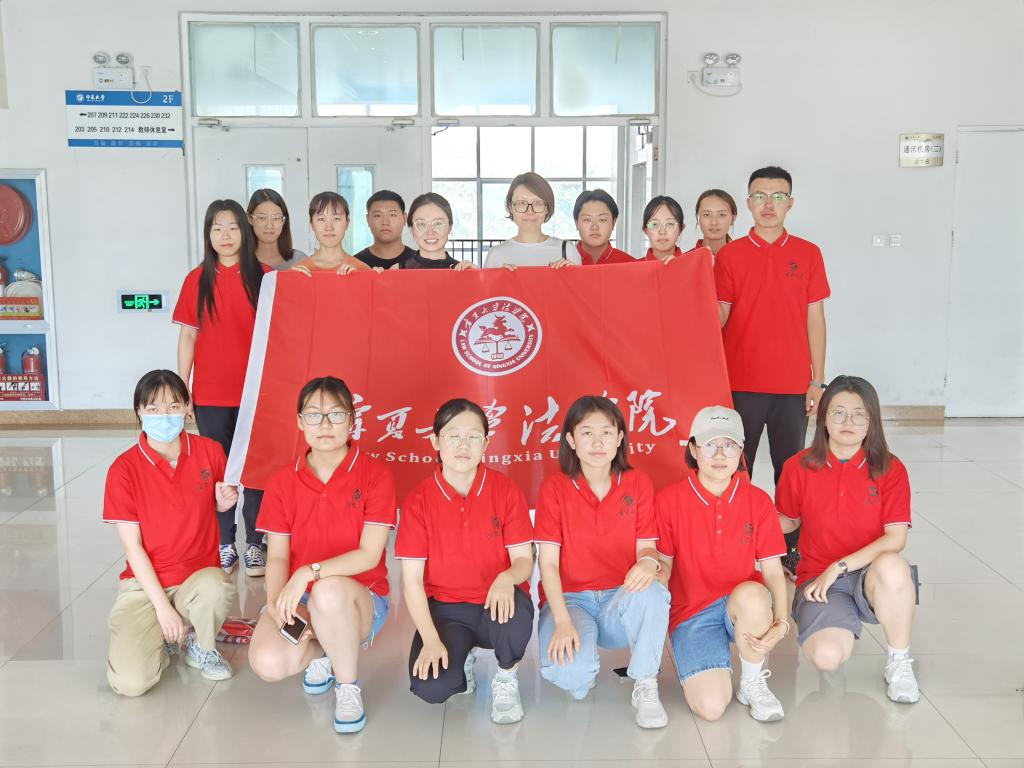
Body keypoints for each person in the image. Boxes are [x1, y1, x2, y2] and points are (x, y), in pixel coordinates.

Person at [248, 376, 396, 733]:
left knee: (328, 591)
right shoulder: (282, 482)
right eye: (314, 415)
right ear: (300, 422)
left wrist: (308, 573)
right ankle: (325, 652)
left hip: (359, 599)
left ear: (352, 421)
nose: (325, 424)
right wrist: (276, 604)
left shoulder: (376, 476)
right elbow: (278, 557)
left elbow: (369, 555)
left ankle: (347, 686)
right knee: (268, 662)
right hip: (302, 599)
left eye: (336, 414)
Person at [715, 166, 830, 576]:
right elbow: (719, 316)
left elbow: (815, 318)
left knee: (791, 471)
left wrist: (817, 379)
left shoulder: (808, 253)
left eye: (778, 196)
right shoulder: (729, 256)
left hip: (792, 386)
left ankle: (790, 552)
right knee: (735, 467)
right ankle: (737, 548)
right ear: (748, 203)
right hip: (740, 383)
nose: (768, 204)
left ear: (790, 203)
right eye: (760, 196)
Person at [776, 375, 920, 704]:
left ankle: (899, 662)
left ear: (872, 421)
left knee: (893, 566)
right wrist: (745, 520)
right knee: (826, 657)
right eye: (838, 413)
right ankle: (837, 628)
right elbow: (789, 520)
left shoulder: (890, 468)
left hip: (871, 574)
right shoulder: (797, 466)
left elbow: (896, 538)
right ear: (823, 417)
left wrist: (839, 566)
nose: (848, 422)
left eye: (859, 415)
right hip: (818, 578)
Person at [396, 398, 535, 724]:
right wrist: (431, 641)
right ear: (435, 441)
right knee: (431, 686)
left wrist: (506, 578)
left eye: (473, 436)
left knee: (515, 613)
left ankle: (506, 675)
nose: (463, 445)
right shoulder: (419, 500)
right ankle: (462, 662)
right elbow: (411, 581)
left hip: (496, 603)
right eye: (453, 436)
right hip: (447, 610)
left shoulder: (505, 491)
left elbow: (524, 560)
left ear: (485, 444)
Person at [535, 396, 669, 728]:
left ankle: (646, 682)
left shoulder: (637, 483)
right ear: (571, 440)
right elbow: (548, 565)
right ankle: (584, 665)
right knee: (571, 675)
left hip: (618, 598)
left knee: (653, 592)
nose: (597, 443)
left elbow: (647, 548)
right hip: (572, 601)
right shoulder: (554, 488)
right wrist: (562, 621)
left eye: (606, 433)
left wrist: (648, 562)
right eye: (587, 433)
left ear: (620, 437)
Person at [103, 369, 237, 696]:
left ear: (188, 408)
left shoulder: (210, 452)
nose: (164, 416)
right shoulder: (123, 469)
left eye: (174, 406)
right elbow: (133, 548)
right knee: (130, 683)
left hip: (197, 578)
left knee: (216, 587)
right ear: (139, 412)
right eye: (153, 408)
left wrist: (223, 503)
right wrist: (162, 608)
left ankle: (202, 645)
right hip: (145, 584)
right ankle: (166, 643)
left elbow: (216, 502)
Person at [656, 406, 790, 722]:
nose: (719, 454)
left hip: (741, 605)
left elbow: (773, 571)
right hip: (692, 613)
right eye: (709, 445)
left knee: (753, 594)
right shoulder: (669, 500)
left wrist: (782, 622)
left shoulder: (758, 501)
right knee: (711, 707)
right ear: (693, 449)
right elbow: (664, 566)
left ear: (741, 450)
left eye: (729, 445)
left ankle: (752, 681)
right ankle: (712, 661)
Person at [173, 199, 268, 576]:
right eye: (217, 228)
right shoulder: (196, 279)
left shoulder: (265, 277)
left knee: (256, 469)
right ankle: (225, 542)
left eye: (232, 227)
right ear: (208, 234)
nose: (225, 236)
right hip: (211, 394)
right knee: (217, 469)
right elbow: (188, 336)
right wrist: (183, 387)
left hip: (257, 393)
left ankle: (256, 542)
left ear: (244, 231)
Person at [483, 172, 579, 269]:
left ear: (547, 208)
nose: (529, 211)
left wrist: (573, 274)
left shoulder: (567, 251)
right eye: (521, 203)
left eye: (537, 203)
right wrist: (499, 276)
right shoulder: (495, 256)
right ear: (510, 207)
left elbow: (580, 279)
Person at [292, 192, 371, 275]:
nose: (329, 227)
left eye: (336, 219)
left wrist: (359, 278)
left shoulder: (362, 270)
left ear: (347, 223)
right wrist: (294, 279)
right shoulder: (298, 271)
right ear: (312, 224)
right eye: (321, 219)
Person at [397, 193, 476, 270]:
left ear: (450, 227)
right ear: (411, 229)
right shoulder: (397, 271)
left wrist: (478, 275)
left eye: (438, 223)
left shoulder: (463, 271)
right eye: (421, 224)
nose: (430, 232)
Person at [353, 190, 417, 270]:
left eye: (392, 215)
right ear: (368, 220)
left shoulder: (419, 263)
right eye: (377, 215)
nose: (385, 222)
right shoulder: (355, 265)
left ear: (404, 219)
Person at [246, 188, 306, 270]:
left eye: (276, 218)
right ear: (250, 219)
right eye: (262, 217)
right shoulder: (239, 261)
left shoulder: (300, 260)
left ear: (284, 221)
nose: (269, 225)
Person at [572, 190, 635, 265]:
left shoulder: (630, 264)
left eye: (602, 220)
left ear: (613, 223)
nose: (594, 227)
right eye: (587, 219)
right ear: (576, 223)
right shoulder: (563, 262)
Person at [641, 195, 706, 264]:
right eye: (654, 224)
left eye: (670, 224)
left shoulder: (695, 266)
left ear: (681, 229)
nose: (662, 232)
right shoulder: (635, 268)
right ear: (645, 230)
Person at [694, 189, 738, 260]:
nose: (714, 222)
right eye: (706, 215)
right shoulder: (685, 261)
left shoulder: (745, 258)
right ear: (697, 218)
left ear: (733, 218)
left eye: (722, 215)